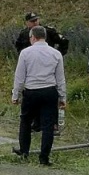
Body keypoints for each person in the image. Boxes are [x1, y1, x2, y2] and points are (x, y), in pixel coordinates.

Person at [11, 26, 66, 166]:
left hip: (31, 91)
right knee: (48, 125)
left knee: (25, 121)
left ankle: (24, 151)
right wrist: (62, 97)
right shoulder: (56, 53)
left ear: (33, 37)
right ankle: (44, 157)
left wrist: (15, 94)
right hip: (49, 91)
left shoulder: (25, 53)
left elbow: (19, 76)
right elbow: (60, 78)